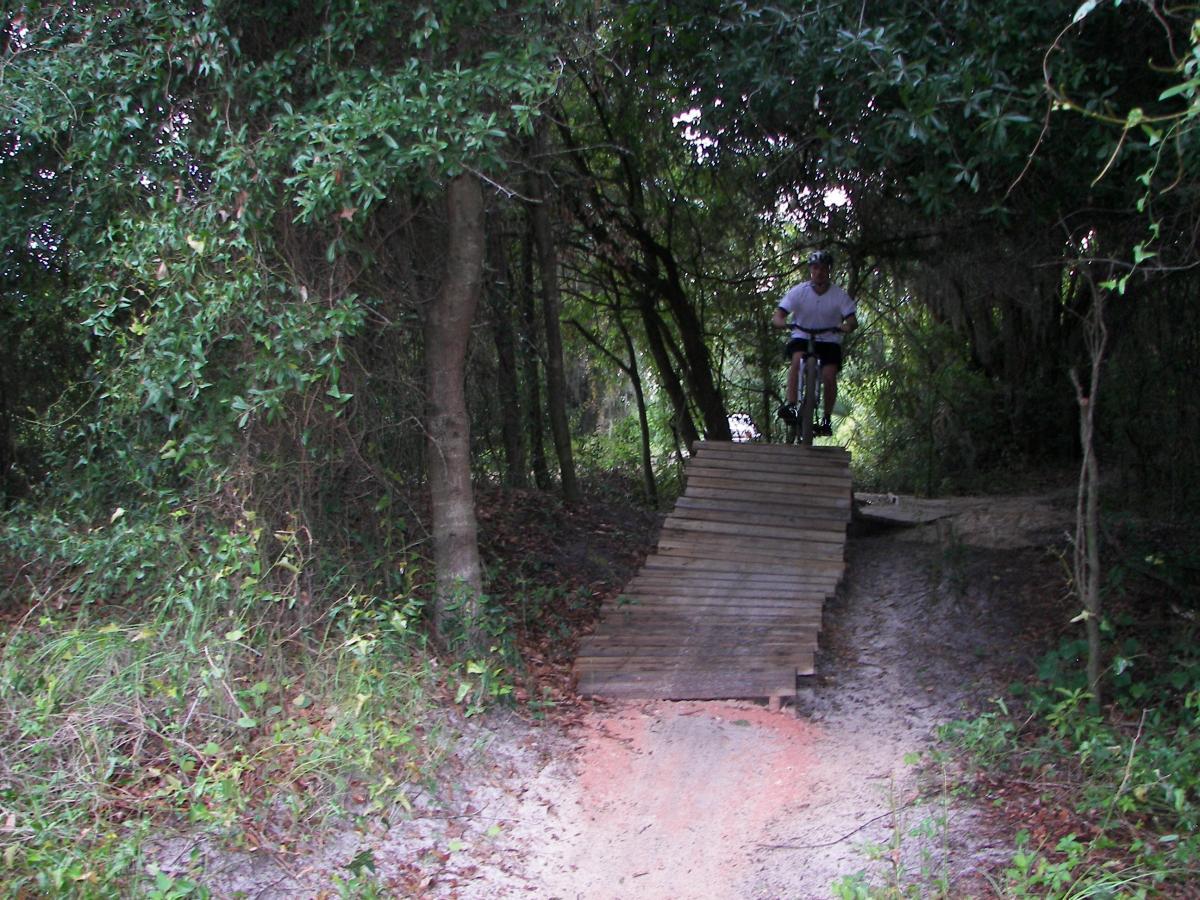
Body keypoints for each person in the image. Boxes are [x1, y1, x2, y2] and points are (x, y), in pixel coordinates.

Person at [771, 249, 858, 436]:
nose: (819, 272)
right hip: (802, 336)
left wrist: (846, 326)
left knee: (829, 375)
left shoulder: (839, 295)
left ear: (829, 271)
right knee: (796, 361)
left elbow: (851, 320)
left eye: (824, 268)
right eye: (815, 268)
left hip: (828, 339)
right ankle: (792, 405)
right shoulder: (798, 292)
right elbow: (779, 315)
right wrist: (782, 323)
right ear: (811, 270)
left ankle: (826, 418)